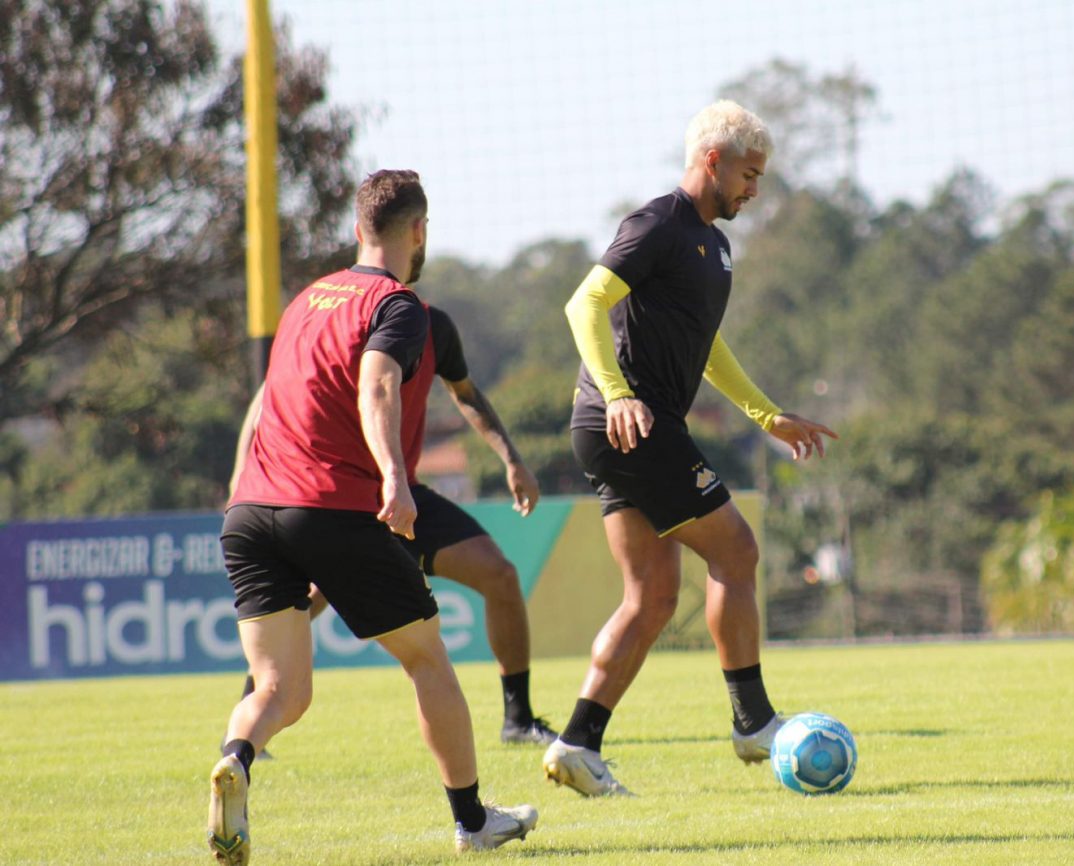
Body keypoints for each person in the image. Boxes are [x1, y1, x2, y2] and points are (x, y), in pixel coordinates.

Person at [208, 170, 537, 863]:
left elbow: (266, 402)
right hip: (329, 505)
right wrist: (395, 476)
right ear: (418, 231)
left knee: (280, 690)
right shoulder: (398, 305)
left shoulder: (304, 301)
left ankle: (236, 758)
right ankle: (474, 821)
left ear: (358, 229)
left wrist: (241, 483)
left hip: (251, 511)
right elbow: (380, 383)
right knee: (427, 659)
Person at [541, 100, 838, 797]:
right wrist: (618, 396)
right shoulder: (659, 223)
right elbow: (583, 304)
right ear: (713, 159)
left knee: (651, 598)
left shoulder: (717, 245)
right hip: (630, 424)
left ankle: (577, 743)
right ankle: (753, 721)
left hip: (623, 427)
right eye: (748, 174)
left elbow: (709, 347)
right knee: (736, 552)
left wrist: (767, 414)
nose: (754, 191)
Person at [229, 301, 558, 747]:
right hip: (343, 497)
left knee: (499, 575)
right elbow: (269, 395)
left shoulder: (430, 323)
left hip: (405, 494)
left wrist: (512, 460)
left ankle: (518, 719)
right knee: (302, 604)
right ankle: (251, 716)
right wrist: (241, 471)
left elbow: (465, 393)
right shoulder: (336, 319)